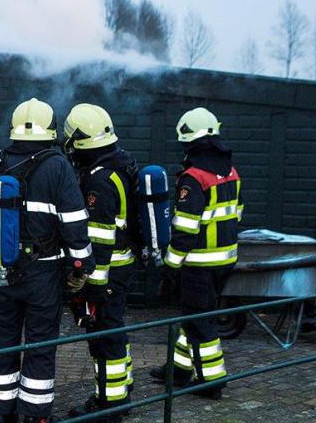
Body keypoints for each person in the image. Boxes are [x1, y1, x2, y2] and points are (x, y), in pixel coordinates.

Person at [0, 98, 94, 423]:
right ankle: (35, 417)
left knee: (3, 344)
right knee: (39, 346)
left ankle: (2, 414)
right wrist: (82, 268)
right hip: (43, 275)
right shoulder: (58, 166)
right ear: (52, 129)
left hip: (1, 271)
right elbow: (75, 225)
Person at [151, 107, 243, 400]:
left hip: (199, 263)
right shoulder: (231, 171)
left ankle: (211, 382)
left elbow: (186, 229)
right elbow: (236, 214)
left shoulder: (193, 177)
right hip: (225, 259)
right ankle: (178, 371)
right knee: (194, 315)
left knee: (200, 322)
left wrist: (171, 265)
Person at [62, 104, 137, 422]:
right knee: (113, 331)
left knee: (106, 335)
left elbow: (101, 238)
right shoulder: (120, 164)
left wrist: (95, 285)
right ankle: (119, 391)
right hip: (121, 265)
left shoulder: (100, 180)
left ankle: (110, 406)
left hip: (108, 272)